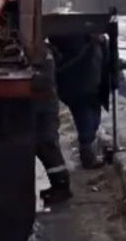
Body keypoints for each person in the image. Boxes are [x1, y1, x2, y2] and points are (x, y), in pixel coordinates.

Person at [48, 32, 108, 170]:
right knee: (86, 116)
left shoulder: (94, 40)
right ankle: (87, 155)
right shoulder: (78, 38)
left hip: (89, 82)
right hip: (81, 82)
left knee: (91, 117)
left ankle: (88, 152)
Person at [36, 48, 72, 205]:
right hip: (44, 106)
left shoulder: (44, 54)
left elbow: (43, 82)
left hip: (44, 107)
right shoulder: (45, 53)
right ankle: (60, 186)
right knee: (45, 144)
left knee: (47, 144)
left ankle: (62, 187)